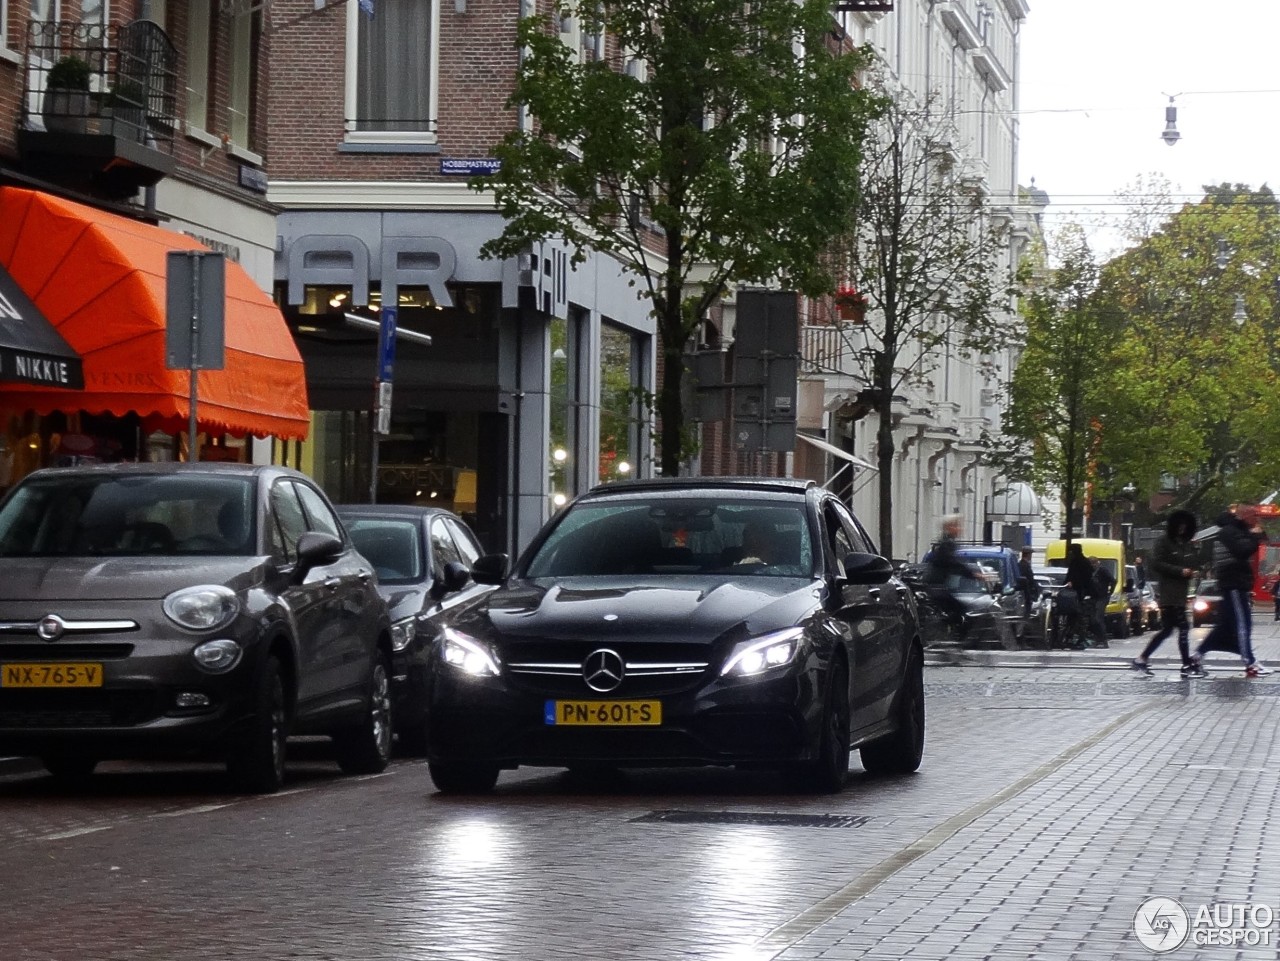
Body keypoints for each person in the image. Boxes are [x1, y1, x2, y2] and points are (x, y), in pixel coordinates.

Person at [1190, 507, 1269, 678]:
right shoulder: (1228, 532)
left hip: (1236, 583)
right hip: (1233, 583)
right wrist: (1254, 535)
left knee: (1224, 627)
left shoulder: (1236, 531)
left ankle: (1197, 656)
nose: (1257, 519)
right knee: (1243, 623)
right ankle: (1250, 662)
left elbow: (1253, 544)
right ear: (1244, 517)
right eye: (1254, 516)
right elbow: (1242, 551)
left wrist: (1255, 535)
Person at [1132, 510, 1201, 677]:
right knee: (1183, 627)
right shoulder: (1164, 542)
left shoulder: (1184, 544)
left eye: (1185, 526)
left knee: (1168, 630)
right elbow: (1156, 563)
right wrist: (1180, 571)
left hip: (1180, 593)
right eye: (1180, 525)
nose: (1182, 529)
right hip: (1170, 593)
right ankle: (1185, 664)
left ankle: (1142, 659)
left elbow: (1190, 562)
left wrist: (1191, 569)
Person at [924, 515, 982, 641]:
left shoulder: (945, 542)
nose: (959, 529)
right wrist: (974, 575)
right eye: (956, 526)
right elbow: (954, 563)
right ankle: (947, 636)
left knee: (955, 609)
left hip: (936, 585)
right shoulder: (947, 543)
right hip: (936, 586)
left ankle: (945, 632)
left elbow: (954, 563)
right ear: (949, 527)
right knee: (960, 608)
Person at [1062, 543, 1094, 648]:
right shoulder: (1084, 562)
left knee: (1076, 617)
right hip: (1080, 593)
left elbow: (1071, 576)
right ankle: (1075, 638)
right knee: (1077, 617)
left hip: (1077, 594)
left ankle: (1076, 638)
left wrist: (1068, 583)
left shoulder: (1076, 562)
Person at [1087, 556, 1114, 649]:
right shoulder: (1089, 571)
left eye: (1094, 563)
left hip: (1102, 597)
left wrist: (1110, 592)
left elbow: (1113, 580)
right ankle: (1097, 640)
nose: (1093, 565)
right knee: (1093, 620)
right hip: (1093, 597)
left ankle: (1104, 641)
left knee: (1098, 618)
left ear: (1097, 563)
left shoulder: (1103, 570)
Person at [1018, 548, 1038, 620]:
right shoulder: (1025, 565)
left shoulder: (1020, 564)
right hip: (1026, 591)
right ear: (1028, 555)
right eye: (1030, 554)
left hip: (1024, 590)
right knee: (1027, 610)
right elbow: (1030, 578)